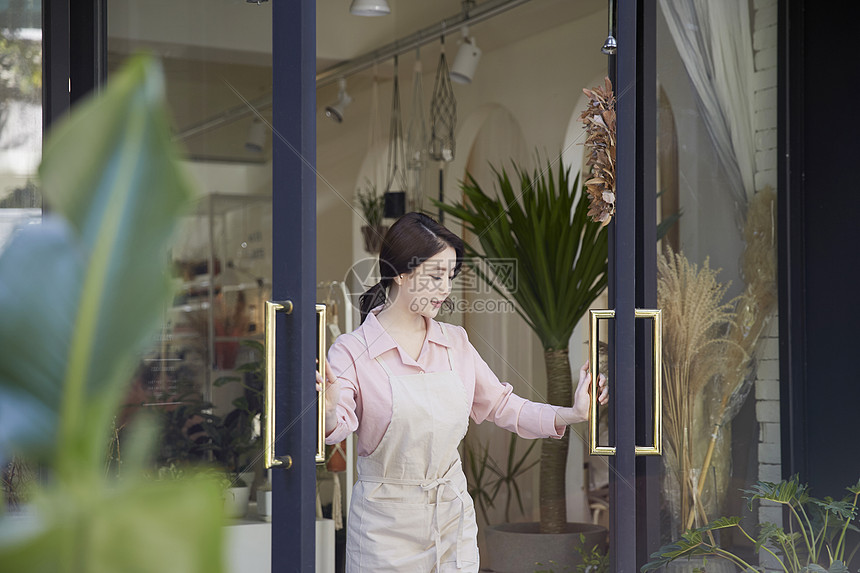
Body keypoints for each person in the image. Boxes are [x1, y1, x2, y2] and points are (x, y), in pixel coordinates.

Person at [317, 212, 608, 573]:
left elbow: (504, 406)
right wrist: (326, 409)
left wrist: (574, 413)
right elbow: (338, 423)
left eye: (449, 276)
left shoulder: (455, 342)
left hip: (452, 522)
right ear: (400, 273)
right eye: (435, 276)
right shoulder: (351, 350)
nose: (445, 289)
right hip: (384, 531)